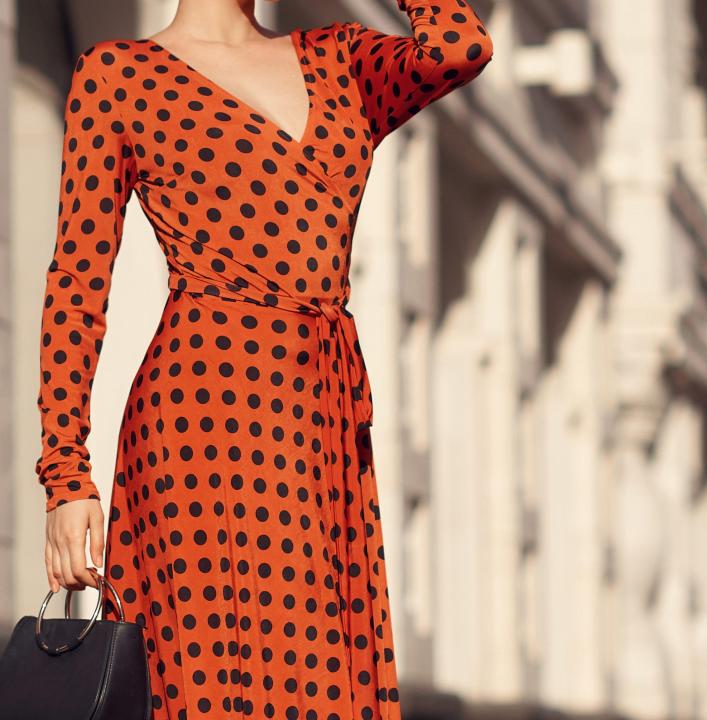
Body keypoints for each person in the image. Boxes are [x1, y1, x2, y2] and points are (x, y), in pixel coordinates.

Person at [35, 0, 493, 717]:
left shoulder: (341, 59)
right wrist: (66, 474)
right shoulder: (118, 76)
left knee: (321, 678)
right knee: (212, 683)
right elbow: (77, 279)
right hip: (200, 420)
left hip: (322, 423)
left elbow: (459, 46)